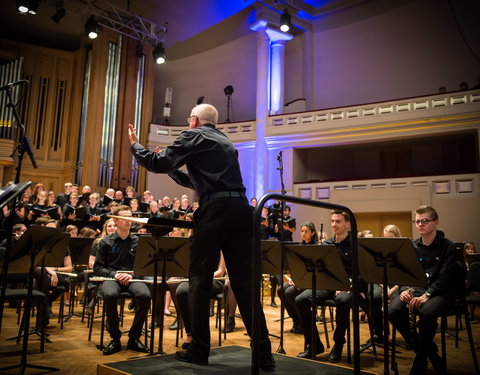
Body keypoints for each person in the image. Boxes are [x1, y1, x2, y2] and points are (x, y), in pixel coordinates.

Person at [128, 103, 275, 370]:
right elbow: (197, 181)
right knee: (245, 284)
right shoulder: (225, 143)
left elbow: (157, 162)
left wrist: (136, 146)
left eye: (188, 119)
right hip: (241, 211)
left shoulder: (193, 135)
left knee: (199, 280)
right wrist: (174, 170)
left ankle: (198, 350)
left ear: (194, 120)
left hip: (215, 211)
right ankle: (264, 353)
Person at [388, 205, 459, 374]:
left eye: (425, 221)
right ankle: (429, 352)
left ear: (436, 223)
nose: (420, 225)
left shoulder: (448, 247)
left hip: (441, 292)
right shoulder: (412, 246)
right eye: (417, 221)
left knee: (426, 311)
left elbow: (445, 278)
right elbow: (405, 273)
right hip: (417, 290)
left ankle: (420, 359)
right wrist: (404, 289)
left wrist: (428, 295)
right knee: (393, 310)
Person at [325, 210, 383, 363]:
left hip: (351, 287)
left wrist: (349, 285)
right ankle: (313, 344)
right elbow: (325, 270)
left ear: (348, 224)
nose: (333, 224)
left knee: (343, 300)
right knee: (302, 298)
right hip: (332, 286)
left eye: (338, 221)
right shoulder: (327, 244)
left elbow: (364, 272)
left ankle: (338, 343)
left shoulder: (357, 244)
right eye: (332, 221)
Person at [93, 205, 151, 355]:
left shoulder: (139, 242)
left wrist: (131, 275)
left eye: (130, 217)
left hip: (133, 277)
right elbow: (98, 268)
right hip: (111, 277)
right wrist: (115, 275)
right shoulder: (105, 242)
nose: (129, 221)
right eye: (125, 218)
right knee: (110, 295)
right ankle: (115, 338)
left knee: (145, 296)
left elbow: (144, 267)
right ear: (116, 221)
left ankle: (134, 337)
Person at [278, 222, 319, 337]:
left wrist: (298, 280)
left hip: (312, 281)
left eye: (306, 231)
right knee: (281, 290)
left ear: (313, 233)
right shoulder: (299, 247)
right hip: (299, 279)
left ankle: (303, 321)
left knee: (289, 292)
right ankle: (296, 319)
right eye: (302, 231)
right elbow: (296, 267)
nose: (303, 234)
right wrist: (294, 278)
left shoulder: (317, 248)